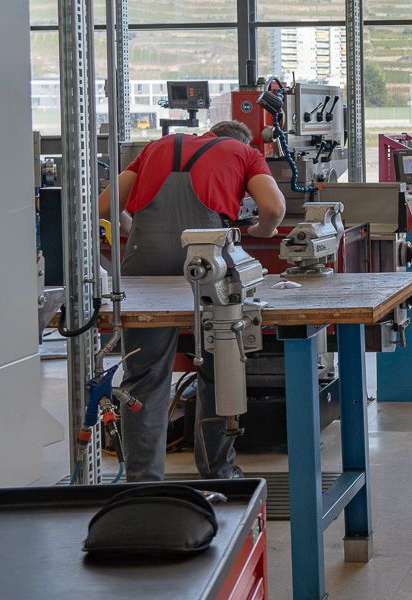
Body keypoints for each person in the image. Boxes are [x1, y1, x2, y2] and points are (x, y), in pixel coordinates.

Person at [96, 119, 286, 481]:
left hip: (145, 266)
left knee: (145, 377)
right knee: (218, 370)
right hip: (208, 264)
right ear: (243, 142)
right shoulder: (245, 153)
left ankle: (143, 485)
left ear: (207, 134)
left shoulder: (158, 146)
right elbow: (274, 208)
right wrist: (263, 230)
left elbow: (104, 205)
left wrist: (130, 228)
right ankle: (217, 473)